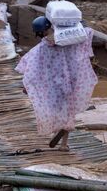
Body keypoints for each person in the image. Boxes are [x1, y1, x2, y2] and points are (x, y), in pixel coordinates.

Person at [15, 16, 97, 151]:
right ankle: (64, 143)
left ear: (41, 32)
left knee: (55, 109)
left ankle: (57, 130)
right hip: (70, 82)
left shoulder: (42, 47)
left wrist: (27, 85)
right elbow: (86, 34)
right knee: (68, 111)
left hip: (52, 85)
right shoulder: (69, 42)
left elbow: (32, 68)